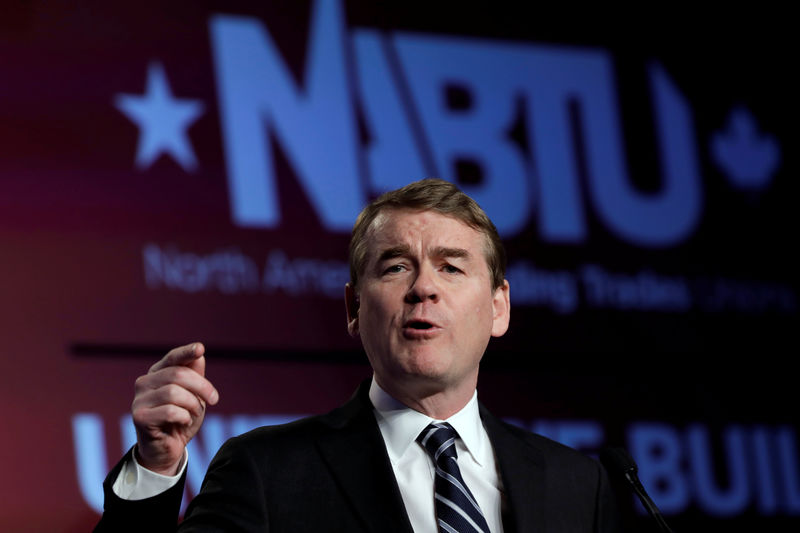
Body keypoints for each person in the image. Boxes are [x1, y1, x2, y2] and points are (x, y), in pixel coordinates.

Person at [95, 179, 620, 532]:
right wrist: (157, 468)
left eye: (452, 268)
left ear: (499, 307)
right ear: (353, 307)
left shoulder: (577, 486)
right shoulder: (266, 472)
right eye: (395, 267)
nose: (423, 290)